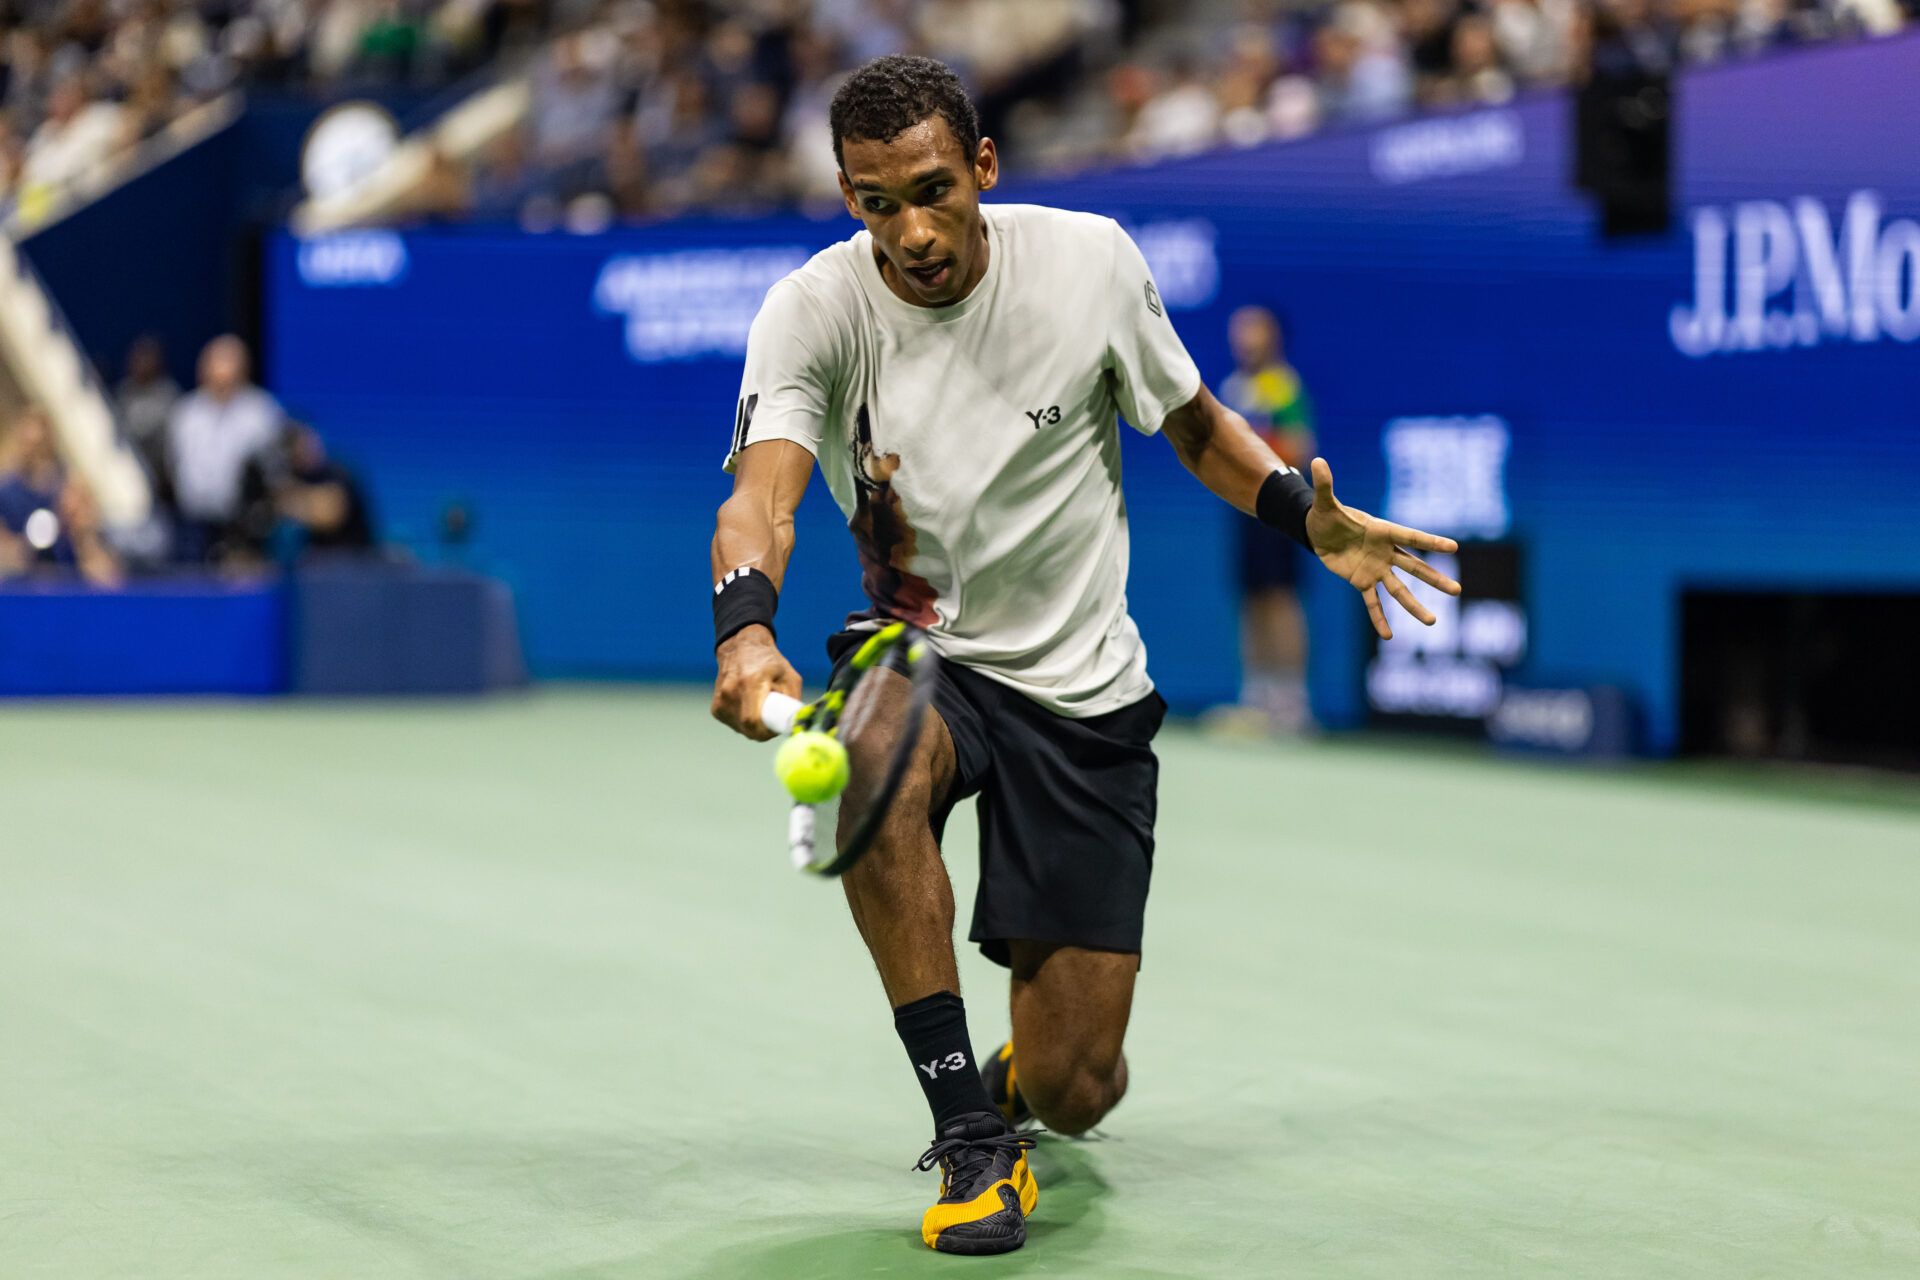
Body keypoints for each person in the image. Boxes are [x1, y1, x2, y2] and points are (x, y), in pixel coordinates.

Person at [706, 55, 1459, 1257]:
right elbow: (765, 494)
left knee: (1079, 1085)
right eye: (875, 202)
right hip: (926, 651)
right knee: (870, 755)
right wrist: (746, 626)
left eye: (932, 190)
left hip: (1083, 689)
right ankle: (966, 1132)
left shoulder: (1091, 263)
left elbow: (1195, 423)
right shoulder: (815, 307)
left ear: (984, 170)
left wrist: (1299, 514)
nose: (909, 230)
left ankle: (1019, 1082)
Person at [1218, 305, 1317, 734]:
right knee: (1252, 599)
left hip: (1279, 510)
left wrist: (1252, 452)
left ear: (1272, 336)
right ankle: (1256, 699)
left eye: (1253, 329)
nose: (1244, 338)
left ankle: (1292, 704)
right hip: (1244, 513)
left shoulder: (1285, 387)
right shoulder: (1234, 388)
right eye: (1239, 330)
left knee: (1280, 598)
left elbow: (1299, 446)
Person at [165, 335, 284, 565]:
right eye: (215, 363)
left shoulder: (262, 412)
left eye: (229, 362)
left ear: (243, 369)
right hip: (194, 524)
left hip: (244, 526)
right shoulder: (186, 413)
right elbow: (172, 465)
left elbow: (273, 470)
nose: (221, 372)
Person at [0, 405, 122, 586]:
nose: (35, 455)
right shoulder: (6, 492)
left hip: (67, 584)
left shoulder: (69, 489)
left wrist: (81, 534)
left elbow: (108, 578)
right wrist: (25, 549)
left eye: (40, 447)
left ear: (50, 444)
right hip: (20, 585)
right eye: (29, 446)